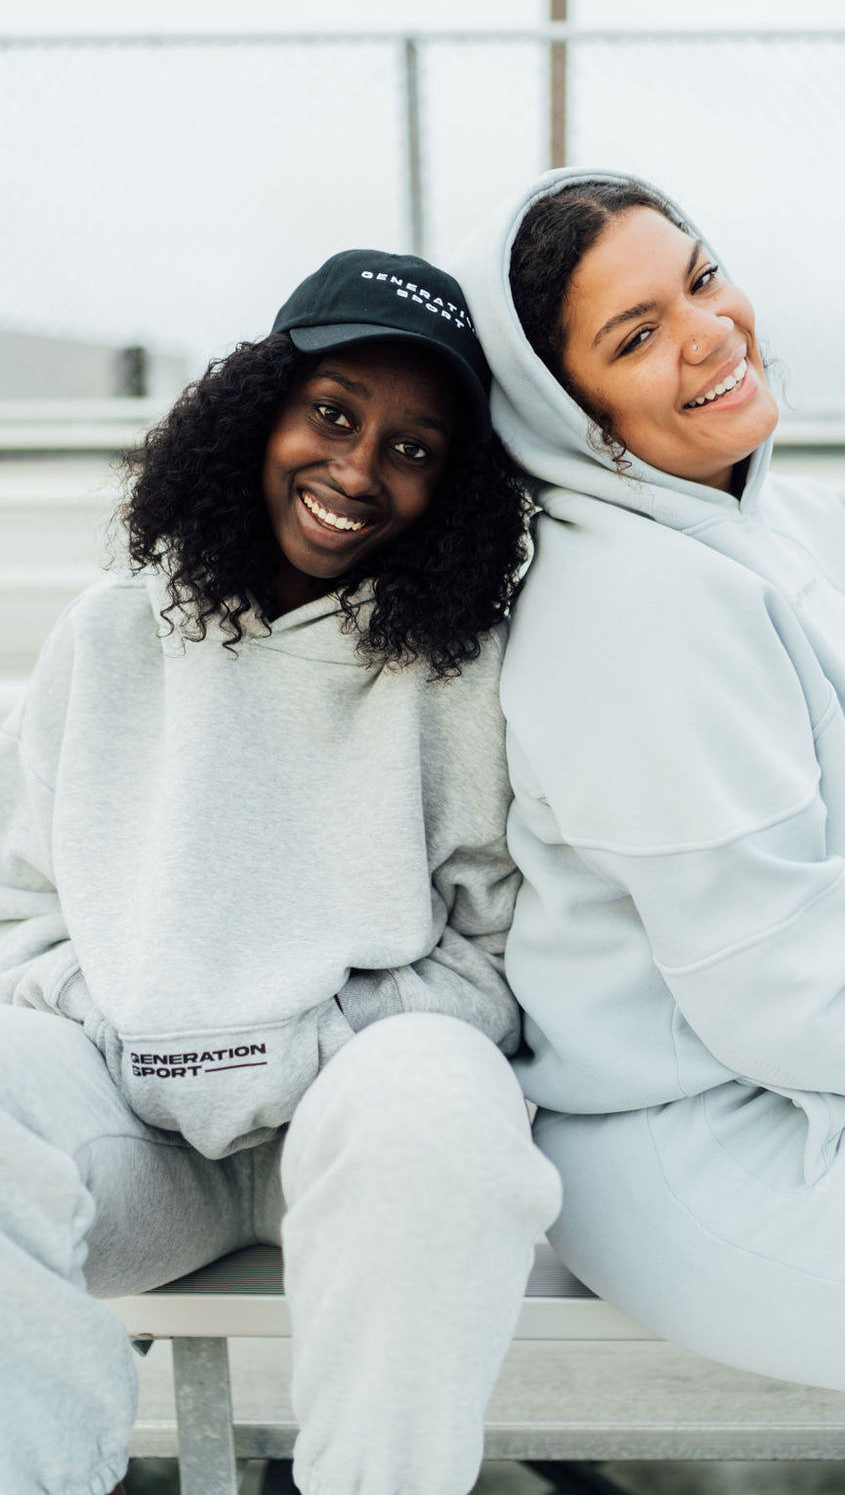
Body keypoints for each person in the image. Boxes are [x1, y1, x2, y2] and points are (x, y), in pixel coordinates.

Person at [0, 248, 561, 1495]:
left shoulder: (463, 668)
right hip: (141, 1136)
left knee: (439, 1101)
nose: (357, 470)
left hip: (365, 1114)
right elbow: (21, 912)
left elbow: (501, 955)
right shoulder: (110, 632)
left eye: (413, 448)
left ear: (453, 480)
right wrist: (143, 1036)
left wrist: (284, 1043)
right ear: (261, 406)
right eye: (333, 412)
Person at [451, 167, 845, 1399]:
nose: (707, 330)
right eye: (636, 335)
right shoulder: (627, 614)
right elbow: (797, 1007)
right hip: (719, 1158)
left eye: (700, 278)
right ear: (565, 407)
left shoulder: (782, 519)